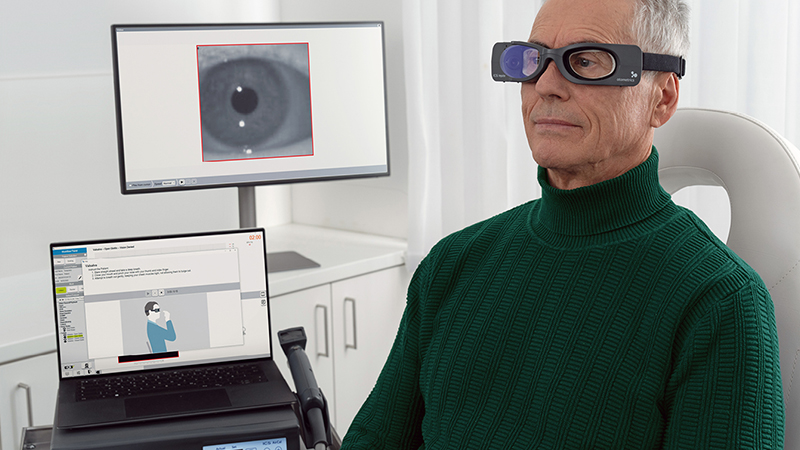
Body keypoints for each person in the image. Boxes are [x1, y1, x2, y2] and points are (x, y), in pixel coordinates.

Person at [341, 0, 785, 448]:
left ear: (662, 98)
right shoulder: (452, 263)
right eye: (533, 59)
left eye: (586, 61)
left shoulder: (720, 300)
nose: (546, 85)